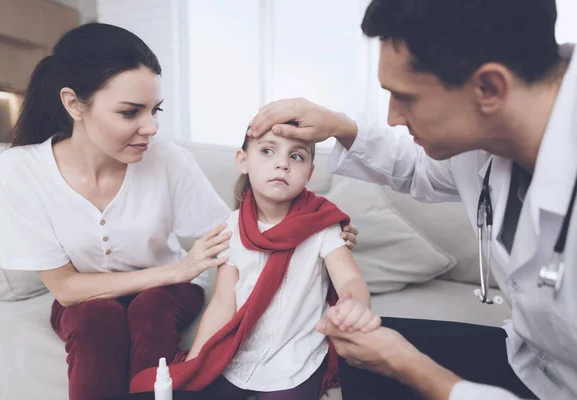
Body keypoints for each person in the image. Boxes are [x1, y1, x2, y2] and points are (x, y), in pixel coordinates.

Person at [0, 23, 359, 400]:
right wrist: (177, 269)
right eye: (131, 112)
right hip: (99, 294)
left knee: (150, 310)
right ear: (73, 103)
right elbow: (67, 289)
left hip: (171, 292)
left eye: (155, 110)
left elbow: (235, 233)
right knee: (95, 317)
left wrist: (314, 227)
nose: (150, 128)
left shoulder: (165, 158)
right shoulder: (19, 170)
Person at [246, 1, 577, 399]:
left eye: (405, 97)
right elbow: (420, 169)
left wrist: (413, 368)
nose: (392, 117)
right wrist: (341, 127)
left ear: (489, 88)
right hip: (535, 360)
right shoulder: (490, 135)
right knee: (361, 351)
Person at [129, 129, 375, 399]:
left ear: (309, 173)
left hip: (295, 359)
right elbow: (223, 302)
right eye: (268, 151)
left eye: (296, 156)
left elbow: (349, 279)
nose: (282, 163)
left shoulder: (322, 225)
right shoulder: (232, 226)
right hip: (239, 354)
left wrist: (355, 304)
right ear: (242, 161)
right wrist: (196, 360)